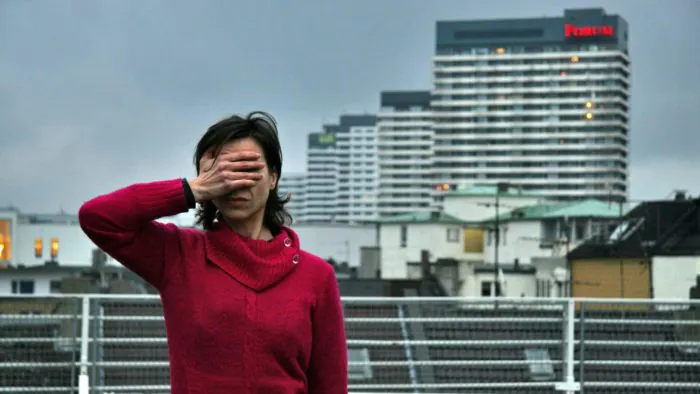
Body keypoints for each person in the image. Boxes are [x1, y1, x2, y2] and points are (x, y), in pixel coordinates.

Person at [78, 111, 348, 394]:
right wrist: (192, 189)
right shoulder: (179, 256)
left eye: (249, 170)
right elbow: (96, 218)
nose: (235, 183)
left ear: (273, 178)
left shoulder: (316, 277)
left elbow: (330, 385)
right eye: (224, 171)